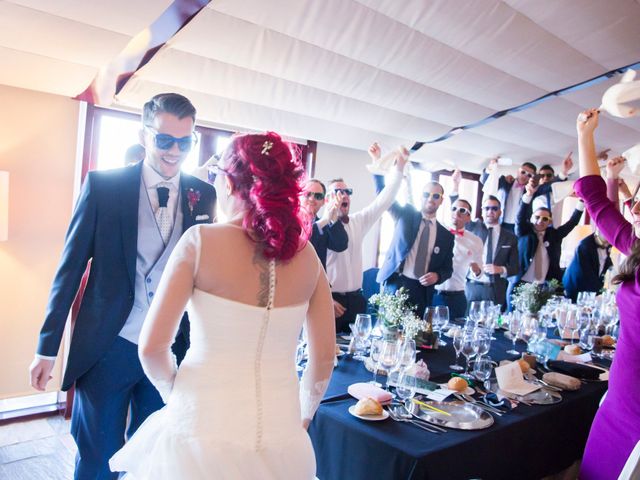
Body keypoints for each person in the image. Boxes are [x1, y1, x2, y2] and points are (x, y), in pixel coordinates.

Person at [109, 132, 335, 478]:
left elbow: (152, 348)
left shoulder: (200, 243)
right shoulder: (308, 257)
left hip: (203, 423)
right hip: (281, 429)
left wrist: (178, 398)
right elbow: (322, 359)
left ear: (228, 184)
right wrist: (303, 416)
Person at [29, 93, 217, 479]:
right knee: (99, 458)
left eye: (185, 141)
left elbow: (203, 275)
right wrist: (47, 348)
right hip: (107, 348)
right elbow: (70, 270)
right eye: (165, 139)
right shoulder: (103, 187)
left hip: (170, 351)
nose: (174, 151)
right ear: (144, 134)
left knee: (153, 457)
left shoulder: (205, 194)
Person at [575, 108, 640, 480]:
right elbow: (597, 203)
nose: (634, 210)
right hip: (616, 405)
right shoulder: (636, 246)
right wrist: (585, 134)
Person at [325, 143, 408, 333]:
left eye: (347, 192)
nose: (343, 195)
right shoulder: (320, 227)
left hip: (356, 301)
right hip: (330, 301)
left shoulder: (358, 221)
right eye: (337, 192)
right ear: (328, 199)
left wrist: (399, 167)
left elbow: (384, 199)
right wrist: (325, 299)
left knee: (358, 352)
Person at [374, 150, 454, 317]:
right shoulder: (406, 214)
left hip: (422, 290)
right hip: (396, 283)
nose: (430, 198)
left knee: (414, 338)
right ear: (421, 196)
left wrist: (438, 276)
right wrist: (378, 168)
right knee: (389, 333)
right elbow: (384, 196)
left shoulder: (446, 236)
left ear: (441, 200)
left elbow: (447, 269)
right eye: (426, 194)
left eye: (436, 195)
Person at [514, 179, 584, 285]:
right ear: (532, 218)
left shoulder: (554, 235)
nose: (540, 221)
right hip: (521, 283)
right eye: (537, 217)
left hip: (544, 285)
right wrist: (528, 195)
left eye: (545, 219)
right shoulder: (524, 231)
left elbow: (572, 223)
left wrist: (581, 201)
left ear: (550, 221)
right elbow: (520, 217)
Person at [433, 187, 483, 319]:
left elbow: (479, 273)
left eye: (462, 210)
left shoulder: (475, 241)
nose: (457, 213)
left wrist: (476, 269)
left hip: (457, 297)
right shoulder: (437, 232)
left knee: (455, 335)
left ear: (468, 218)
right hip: (434, 293)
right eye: (454, 209)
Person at [462, 195, 519, 311]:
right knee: (467, 324)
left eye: (494, 208)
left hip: (495, 289)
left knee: (491, 326)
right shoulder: (473, 228)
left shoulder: (510, 237)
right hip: (471, 286)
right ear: (482, 211)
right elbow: (458, 214)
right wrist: (455, 187)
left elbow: (515, 267)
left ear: (500, 212)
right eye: (486, 208)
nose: (490, 211)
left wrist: (501, 269)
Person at [301, 178, 348, 270]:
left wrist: (333, 217)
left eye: (318, 196)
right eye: (307, 194)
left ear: (323, 202)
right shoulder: (290, 222)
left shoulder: (325, 225)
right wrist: (324, 220)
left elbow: (341, 245)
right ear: (299, 196)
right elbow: (302, 242)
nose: (312, 199)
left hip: (318, 282)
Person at [480, 158, 537, 232]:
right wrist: (490, 168)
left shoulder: (532, 191)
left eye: (529, 175)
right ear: (518, 171)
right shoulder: (505, 181)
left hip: (519, 226)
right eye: (523, 172)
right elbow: (485, 181)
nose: (525, 176)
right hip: (500, 222)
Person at [562, 229, 612, 302]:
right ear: (598, 231)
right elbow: (587, 273)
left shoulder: (606, 243)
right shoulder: (584, 246)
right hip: (575, 286)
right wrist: (599, 291)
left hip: (591, 287)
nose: (610, 240)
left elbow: (604, 261)